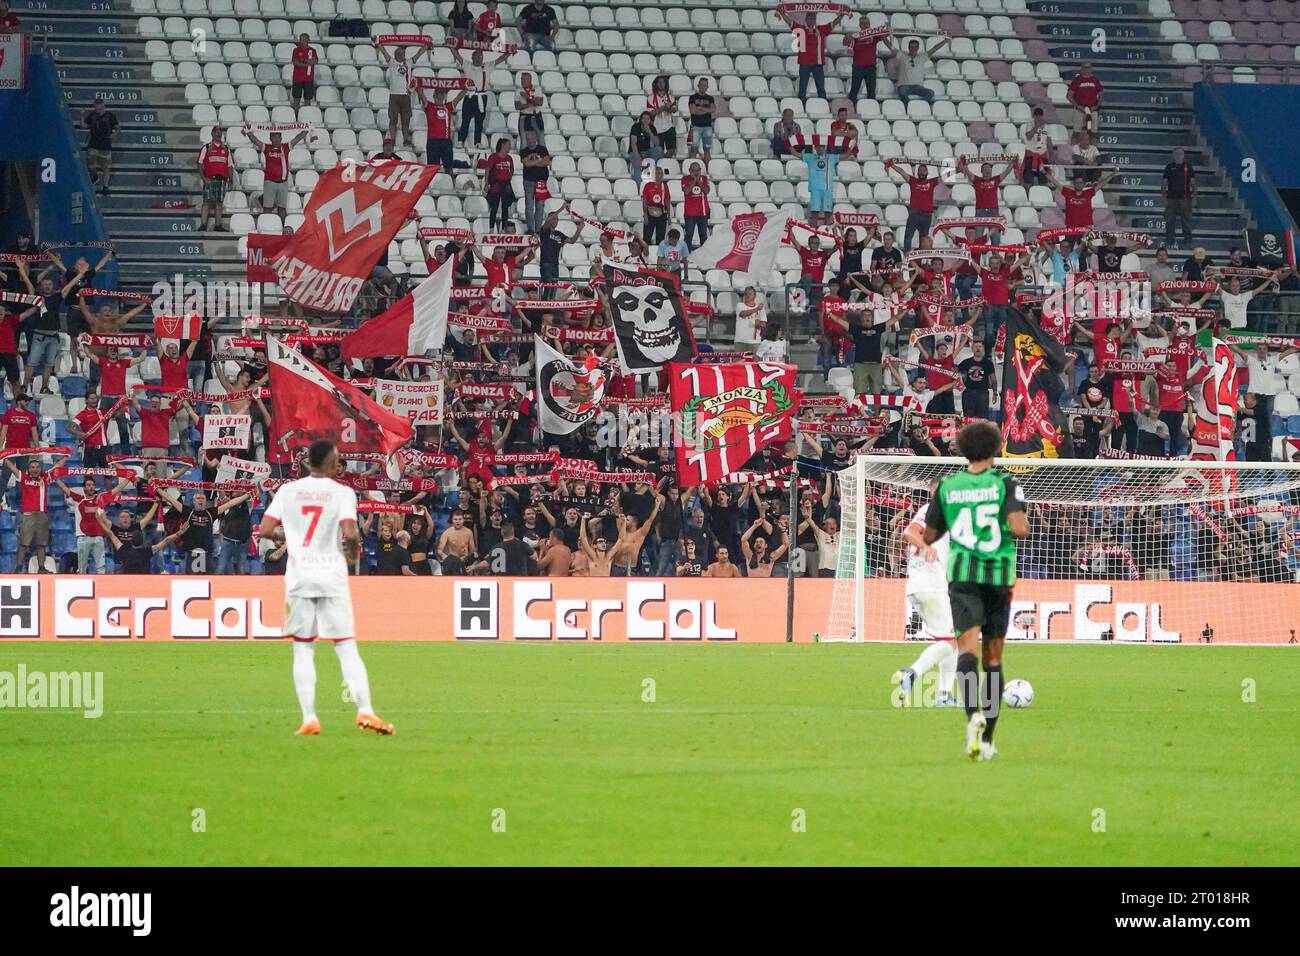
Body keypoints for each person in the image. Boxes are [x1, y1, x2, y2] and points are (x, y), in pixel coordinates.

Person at [258, 438, 394, 737]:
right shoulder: (342, 492)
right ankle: (366, 711)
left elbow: (265, 530)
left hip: (299, 577)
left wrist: (292, 538)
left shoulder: (288, 491)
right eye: (337, 457)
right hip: (331, 575)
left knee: (303, 649)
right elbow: (350, 531)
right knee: (345, 645)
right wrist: (352, 552)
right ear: (330, 462)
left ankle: (309, 719)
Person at [922, 421, 1030, 761]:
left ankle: (973, 721)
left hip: (962, 577)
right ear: (997, 448)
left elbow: (929, 537)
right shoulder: (1006, 483)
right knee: (993, 659)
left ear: (963, 450)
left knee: (966, 652)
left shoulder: (947, 486)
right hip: (998, 576)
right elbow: (1019, 529)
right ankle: (988, 740)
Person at [894, 485, 958, 708]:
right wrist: (927, 548)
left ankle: (944, 695)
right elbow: (910, 532)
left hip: (923, 586)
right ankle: (912, 673)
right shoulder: (931, 511)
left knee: (949, 639)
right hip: (930, 587)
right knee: (952, 641)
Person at [6, 453, 67, 573]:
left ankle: (41, 568)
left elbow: (57, 467)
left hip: (41, 515)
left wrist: (66, 456)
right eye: (32, 467)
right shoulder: (24, 478)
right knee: (24, 543)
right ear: (29, 469)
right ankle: (18, 568)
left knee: (41, 544)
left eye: (37, 467)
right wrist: (5, 457)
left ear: (41, 468)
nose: (35, 469)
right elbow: (12, 468)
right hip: (27, 515)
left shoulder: (45, 478)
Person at [776, 7, 845, 103]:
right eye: (809, 18)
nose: (811, 20)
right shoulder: (801, 29)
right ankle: (801, 106)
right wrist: (783, 14)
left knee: (821, 87)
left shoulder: (821, 29)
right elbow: (789, 22)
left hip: (818, 63)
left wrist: (842, 15)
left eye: (813, 18)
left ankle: (823, 105)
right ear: (806, 19)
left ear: (815, 19)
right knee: (802, 87)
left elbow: (833, 23)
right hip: (804, 63)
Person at [246, 126, 309, 220]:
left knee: (282, 209)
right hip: (270, 182)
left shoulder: (286, 147)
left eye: (279, 137)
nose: (277, 139)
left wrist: (306, 129)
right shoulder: (267, 148)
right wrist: (248, 131)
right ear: (270, 139)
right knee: (267, 208)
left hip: (283, 183)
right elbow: (255, 140)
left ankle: (282, 228)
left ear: (281, 138)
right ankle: (266, 226)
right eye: (275, 137)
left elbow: (298, 138)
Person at [415, 82, 468, 178]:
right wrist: (418, 88)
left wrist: (465, 89)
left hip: (446, 141)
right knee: (432, 167)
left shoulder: (448, 106)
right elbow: (422, 96)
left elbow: (458, 98)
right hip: (433, 141)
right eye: (439, 93)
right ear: (434, 95)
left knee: (449, 166)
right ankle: (431, 184)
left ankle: (450, 183)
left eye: (442, 93)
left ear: (444, 95)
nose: (441, 95)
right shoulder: (429, 106)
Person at [885, 159, 938, 251]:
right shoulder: (913, 180)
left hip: (927, 215)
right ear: (917, 172)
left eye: (924, 170)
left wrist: (957, 170)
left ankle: (922, 260)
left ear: (927, 173)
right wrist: (892, 165)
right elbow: (902, 172)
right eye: (920, 170)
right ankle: (907, 259)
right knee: (908, 237)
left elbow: (945, 177)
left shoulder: (932, 182)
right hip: (914, 213)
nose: (922, 172)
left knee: (924, 240)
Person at [845, 14, 894, 104]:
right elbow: (845, 43)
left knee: (871, 91)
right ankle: (851, 108)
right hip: (858, 66)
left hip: (870, 67)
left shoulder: (874, 35)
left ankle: (871, 107)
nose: (864, 25)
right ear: (859, 25)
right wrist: (847, 36)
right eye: (862, 23)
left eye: (866, 23)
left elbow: (884, 35)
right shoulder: (855, 36)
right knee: (854, 89)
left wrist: (888, 28)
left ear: (869, 24)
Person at [894, 34, 950, 105]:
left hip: (917, 87)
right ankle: (910, 105)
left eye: (915, 47)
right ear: (908, 47)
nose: (913, 49)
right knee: (902, 92)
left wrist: (945, 41)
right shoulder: (902, 55)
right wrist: (883, 38)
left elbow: (934, 48)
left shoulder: (922, 57)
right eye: (911, 47)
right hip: (904, 85)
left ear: (918, 48)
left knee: (931, 93)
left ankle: (918, 104)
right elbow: (891, 47)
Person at [197, 126, 233, 232]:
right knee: (207, 202)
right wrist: (203, 178)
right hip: (209, 179)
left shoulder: (226, 149)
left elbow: (230, 165)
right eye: (216, 132)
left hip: (222, 180)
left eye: (220, 132)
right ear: (212, 134)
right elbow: (199, 163)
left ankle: (218, 225)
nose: (218, 134)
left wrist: (231, 180)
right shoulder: (207, 147)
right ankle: (203, 225)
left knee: (219, 203)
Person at [1161, 147, 1196, 250]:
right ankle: (1169, 240)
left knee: (1186, 221)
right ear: (1173, 155)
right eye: (1176, 153)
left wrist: (1194, 197)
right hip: (1171, 198)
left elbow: (1193, 183)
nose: (1178, 155)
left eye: (1181, 153)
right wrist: (1163, 197)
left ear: (1184, 155)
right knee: (1169, 220)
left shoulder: (1188, 167)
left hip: (1185, 198)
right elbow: (1164, 183)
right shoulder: (1169, 167)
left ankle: (1187, 241)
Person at [82, 99, 119, 196]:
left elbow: (117, 127)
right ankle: (94, 176)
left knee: (106, 167)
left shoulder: (109, 116)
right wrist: (82, 115)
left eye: (98, 109)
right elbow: (84, 125)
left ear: (102, 107)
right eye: (95, 109)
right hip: (93, 144)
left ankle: (105, 187)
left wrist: (114, 135)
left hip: (105, 146)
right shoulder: (93, 115)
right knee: (90, 164)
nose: (96, 111)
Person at [518, 129, 551, 234]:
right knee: (529, 206)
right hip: (529, 181)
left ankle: (538, 229)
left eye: (532, 138)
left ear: (536, 139)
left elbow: (546, 162)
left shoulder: (542, 149)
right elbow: (527, 164)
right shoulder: (524, 151)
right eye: (528, 139)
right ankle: (531, 229)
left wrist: (532, 161)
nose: (530, 140)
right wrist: (538, 161)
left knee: (540, 206)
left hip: (541, 181)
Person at [680, 161, 711, 250]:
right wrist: (694, 181)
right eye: (693, 171)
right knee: (689, 235)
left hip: (703, 212)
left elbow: (706, 191)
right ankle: (686, 255)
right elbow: (686, 191)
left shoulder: (704, 178)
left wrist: (698, 181)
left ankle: (703, 256)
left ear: (700, 170)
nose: (696, 173)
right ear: (690, 171)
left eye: (698, 170)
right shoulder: (685, 179)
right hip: (690, 213)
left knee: (703, 235)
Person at [1066, 61, 1103, 135]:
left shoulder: (1095, 80)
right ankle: (1074, 146)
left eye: (1088, 67)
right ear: (1081, 68)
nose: (1087, 69)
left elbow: (1101, 95)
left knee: (1093, 133)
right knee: (1076, 133)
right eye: (1085, 67)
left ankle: (1094, 147)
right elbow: (1069, 95)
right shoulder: (1077, 80)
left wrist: (1096, 106)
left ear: (1091, 68)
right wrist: (1077, 106)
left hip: (1092, 109)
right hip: (1080, 110)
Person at [627, 110, 662, 186]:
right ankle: (639, 186)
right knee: (638, 165)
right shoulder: (635, 127)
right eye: (644, 118)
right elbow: (633, 144)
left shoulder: (652, 128)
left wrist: (649, 132)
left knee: (658, 149)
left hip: (647, 152)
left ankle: (649, 164)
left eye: (648, 119)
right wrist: (638, 158)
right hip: (635, 152)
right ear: (641, 119)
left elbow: (657, 143)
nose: (646, 120)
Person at [289, 33, 319, 117]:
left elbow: (315, 61)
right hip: (297, 79)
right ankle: (296, 117)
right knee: (296, 100)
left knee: (308, 100)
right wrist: (307, 63)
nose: (303, 42)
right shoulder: (296, 50)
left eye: (305, 40)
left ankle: (306, 117)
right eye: (301, 40)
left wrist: (303, 61)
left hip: (308, 79)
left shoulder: (312, 51)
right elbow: (295, 62)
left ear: (308, 40)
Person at [687, 77, 716, 162]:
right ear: (698, 86)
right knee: (694, 149)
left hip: (707, 126)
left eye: (705, 85)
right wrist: (706, 110)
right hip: (695, 126)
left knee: (707, 150)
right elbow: (692, 110)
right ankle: (692, 168)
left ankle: (708, 169)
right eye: (701, 85)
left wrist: (700, 108)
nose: (703, 87)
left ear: (707, 87)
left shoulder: (710, 98)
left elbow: (713, 109)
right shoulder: (692, 97)